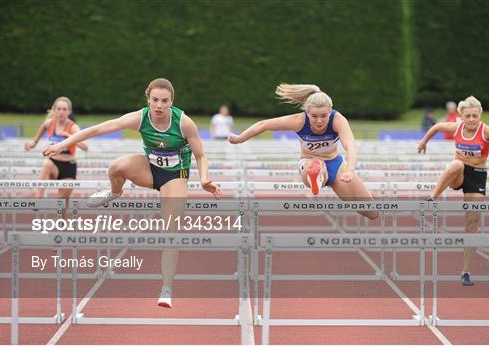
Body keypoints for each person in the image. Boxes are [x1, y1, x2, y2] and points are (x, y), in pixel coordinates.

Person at [43, 78, 222, 308]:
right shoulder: (140, 117)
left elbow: (200, 155)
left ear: (171, 102)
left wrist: (204, 177)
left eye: (164, 101)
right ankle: (115, 193)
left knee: (171, 232)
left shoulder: (184, 123)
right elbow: (100, 128)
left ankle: (166, 288)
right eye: (155, 100)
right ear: (148, 100)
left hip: (175, 176)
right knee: (116, 166)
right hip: (149, 169)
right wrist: (61, 144)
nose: (159, 106)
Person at [417, 96, 489, 286]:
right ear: (461, 116)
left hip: (477, 176)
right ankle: (432, 198)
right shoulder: (456, 127)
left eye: (474, 116)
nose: (471, 119)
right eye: (467, 116)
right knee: (455, 164)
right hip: (459, 173)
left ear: (480, 115)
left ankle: (466, 271)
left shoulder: (486, 131)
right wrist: (423, 142)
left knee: (472, 222)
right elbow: (436, 127)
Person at [228, 83, 378, 220]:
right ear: (307, 113)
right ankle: (317, 175)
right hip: (308, 163)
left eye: (324, 116)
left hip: (337, 165)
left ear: (330, 111)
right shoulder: (299, 121)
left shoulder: (338, 120)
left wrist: (350, 170)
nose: (319, 121)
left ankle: (322, 176)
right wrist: (239, 139)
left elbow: (350, 146)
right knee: (316, 166)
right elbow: (263, 124)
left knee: (371, 212)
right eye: (314, 116)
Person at [24, 96, 88, 199]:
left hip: (68, 167)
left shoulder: (73, 127)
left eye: (64, 109)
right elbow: (36, 138)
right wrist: (33, 142)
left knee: (62, 203)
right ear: (54, 110)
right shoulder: (49, 123)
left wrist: (69, 137)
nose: (61, 112)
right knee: (46, 164)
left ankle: (59, 213)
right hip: (53, 163)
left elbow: (85, 147)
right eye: (58, 109)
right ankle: (38, 199)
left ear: (69, 111)